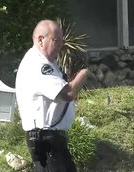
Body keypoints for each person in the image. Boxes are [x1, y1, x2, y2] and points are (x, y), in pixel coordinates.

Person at [15, 19, 88, 172]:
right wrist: (84, 73)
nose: (61, 45)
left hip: (54, 141)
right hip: (46, 140)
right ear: (41, 40)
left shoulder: (48, 63)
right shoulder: (37, 64)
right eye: (56, 41)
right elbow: (67, 93)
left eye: (62, 41)